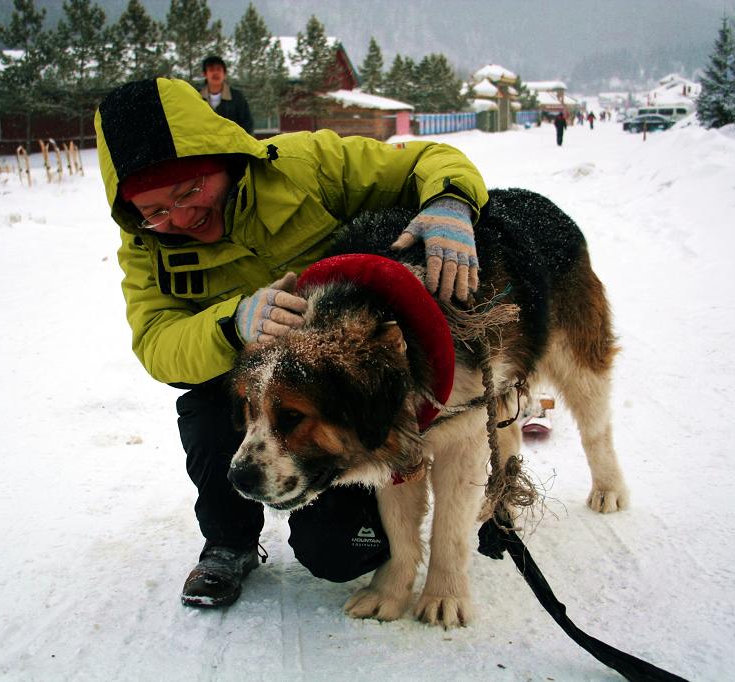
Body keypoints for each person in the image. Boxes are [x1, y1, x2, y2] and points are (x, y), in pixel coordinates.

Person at [94, 77, 488, 609]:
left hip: (335, 381)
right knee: (211, 410)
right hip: (246, 378)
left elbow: (428, 157)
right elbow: (156, 340)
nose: (181, 219)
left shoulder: (305, 165)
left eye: (190, 191)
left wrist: (450, 199)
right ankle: (228, 543)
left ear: (223, 156)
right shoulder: (146, 245)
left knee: (342, 555)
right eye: (157, 211)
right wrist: (230, 324)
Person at [198, 55, 253, 135]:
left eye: (219, 69)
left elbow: (247, 125)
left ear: (224, 73)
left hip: (232, 145)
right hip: (204, 145)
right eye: (211, 70)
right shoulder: (197, 97)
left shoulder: (237, 97)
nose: (215, 73)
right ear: (205, 74)